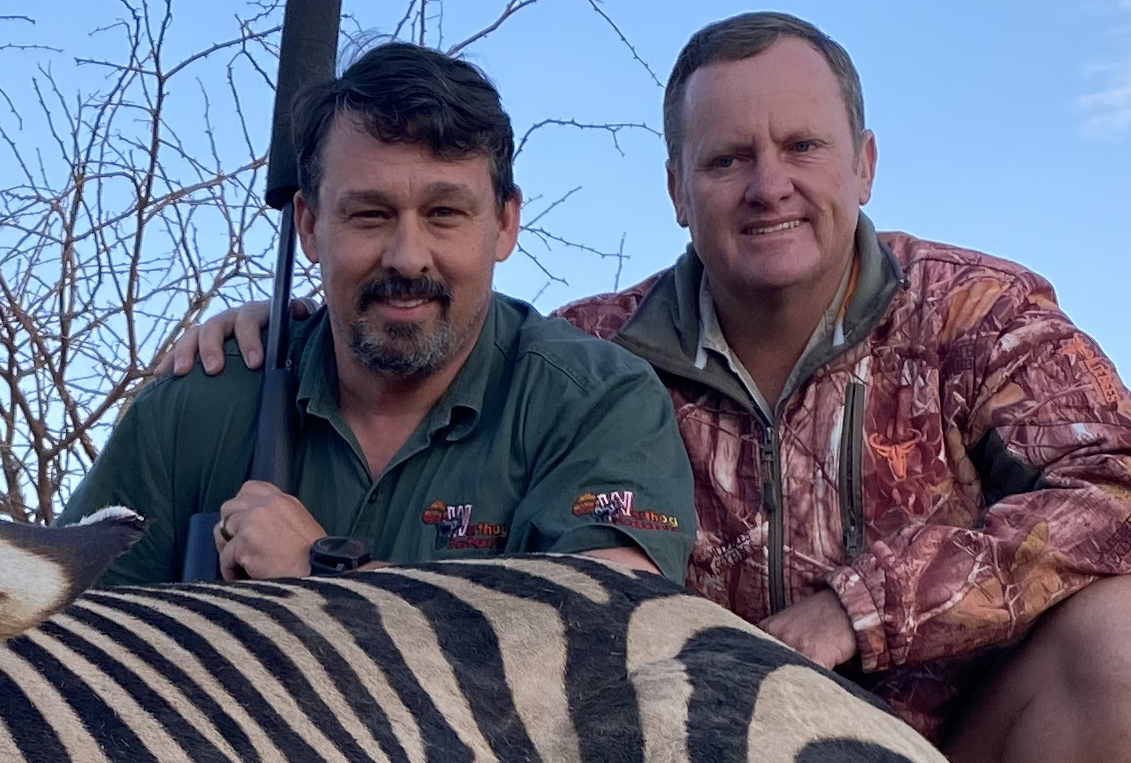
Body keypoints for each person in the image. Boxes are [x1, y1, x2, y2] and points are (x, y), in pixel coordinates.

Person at [160, 13, 1131, 763]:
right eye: (726, 158)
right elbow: (437, 325)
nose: (768, 185)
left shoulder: (976, 312)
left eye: (801, 147)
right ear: (674, 187)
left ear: (867, 162)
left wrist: (861, 612)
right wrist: (292, 332)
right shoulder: (588, 359)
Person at [64, 42, 692, 587]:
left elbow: (607, 638)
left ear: (504, 223)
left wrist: (322, 573)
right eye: (369, 215)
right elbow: (54, 643)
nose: (407, 257)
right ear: (309, 226)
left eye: (445, 213)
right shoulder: (195, 407)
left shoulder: (598, 401)